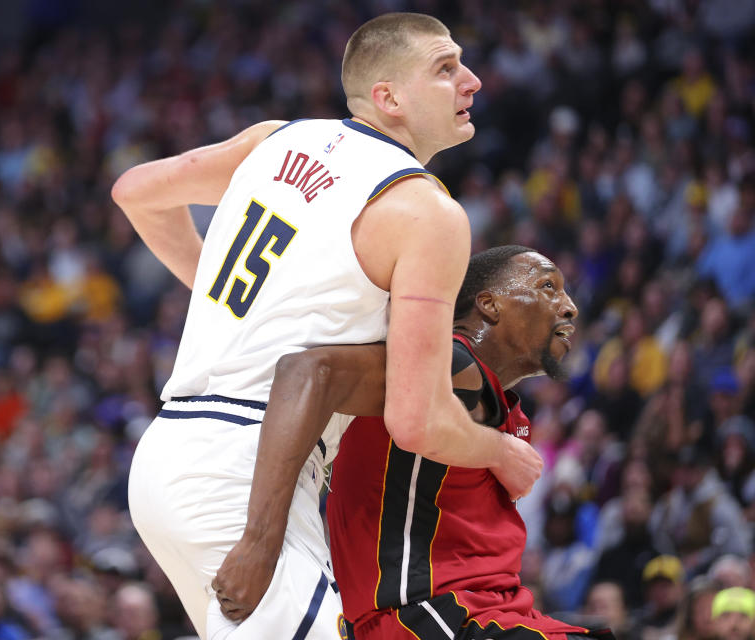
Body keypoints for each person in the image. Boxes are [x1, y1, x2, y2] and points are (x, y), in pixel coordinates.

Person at [112, 13, 542, 640]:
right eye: (445, 68)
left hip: (168, 455)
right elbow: (419, 418)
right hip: (247, 468)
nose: (472, 81)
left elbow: (135, 190)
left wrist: (216, 286)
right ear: (389, 98)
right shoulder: (425, 211)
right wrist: (504, 452)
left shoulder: (275, 140)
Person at [216, 247, 603, 639]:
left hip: (488, 614)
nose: (569, 307)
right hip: (425, 616)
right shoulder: (447, 365)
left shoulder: (497, 404)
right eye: (548, 286)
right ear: (489, 305)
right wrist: (259, 546)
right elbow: (308, 372)